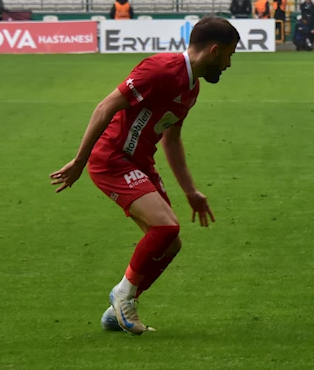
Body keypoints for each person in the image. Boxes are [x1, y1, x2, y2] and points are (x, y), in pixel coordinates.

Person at [50, 17, 240, 335]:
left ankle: (116, 313)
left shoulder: (191, 88)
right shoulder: (160, 69)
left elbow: (172, 140)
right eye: (229, 55)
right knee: (165, 227)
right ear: (214, 50)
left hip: (139, 163)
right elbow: (105, 106)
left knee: (170, 244)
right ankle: (123, 296)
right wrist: (80, 161)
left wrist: (191, 191)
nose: (229, 64)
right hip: (112, 159)